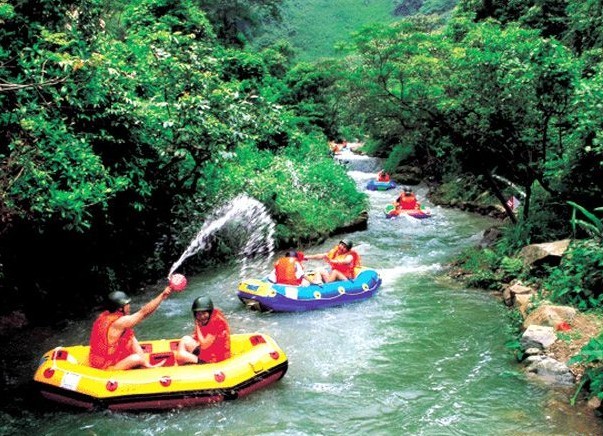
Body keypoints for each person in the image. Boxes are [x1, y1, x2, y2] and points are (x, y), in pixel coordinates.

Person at [89, 286, 172, 370]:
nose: (129, 306)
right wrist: (162, 295)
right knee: (137, 358)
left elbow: (144, 314)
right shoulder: (119, 322)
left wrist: (160, 300)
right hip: (105, 366)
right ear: (120, 308)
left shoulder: (106, 316)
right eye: (127, 304)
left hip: (100, 358)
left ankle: (146, 364)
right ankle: (145, 364)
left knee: (130, 336)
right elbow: (143, 313)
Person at [176, 296, 231, 365]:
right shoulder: (207, 320)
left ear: (209, 312)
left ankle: (201, 365)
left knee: (180, 355)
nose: (202, 317)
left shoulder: (217, 322)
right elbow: (197, 338)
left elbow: (204, 345)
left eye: (204, 313)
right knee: (185, 339)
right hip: (209, 353)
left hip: (216, 360)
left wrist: (197, 325)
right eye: (198, 314)